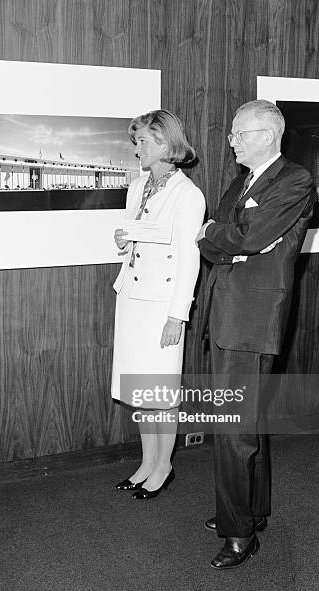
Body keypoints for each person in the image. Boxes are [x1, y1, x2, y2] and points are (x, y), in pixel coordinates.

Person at [196, 99, 314, 569]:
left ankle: (239, 533)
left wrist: (221, 236)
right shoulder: (243, 181)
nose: (231, 141)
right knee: (248, 426)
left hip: (249, 319)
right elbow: (224, 238)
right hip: (230, 313)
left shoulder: (294, 180)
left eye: (238, 133)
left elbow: (240, 237)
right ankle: (251, 512)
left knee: (233, 430)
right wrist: (226, 239)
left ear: (267, 134)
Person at [111, 110, 205, 499]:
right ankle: (147, 461)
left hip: (162, 306)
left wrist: (176, 316)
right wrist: (122, 241)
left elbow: (189, 258)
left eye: (143, 142)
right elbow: (137, 239)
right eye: (136, 142)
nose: (137, 149)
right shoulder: (138, 187)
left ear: (166, 144)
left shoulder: (188, 194)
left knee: (160, 393)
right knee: (140, 390)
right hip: (132, 298)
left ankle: (163, 465)